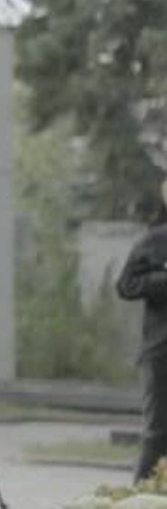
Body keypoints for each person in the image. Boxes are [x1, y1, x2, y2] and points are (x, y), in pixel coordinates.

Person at [118, 182, 167, 483]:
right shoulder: (155, 241)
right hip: (163, 353)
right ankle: (142, 497)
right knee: (159, 432)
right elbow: (126, 285)